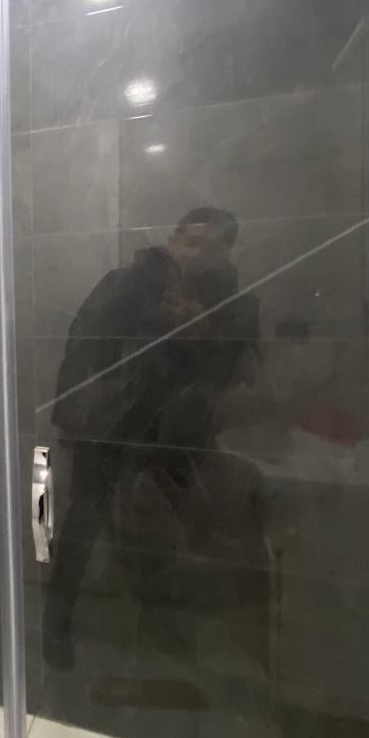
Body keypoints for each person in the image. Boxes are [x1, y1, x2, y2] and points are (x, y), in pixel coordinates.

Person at [42, 206, 260, 671]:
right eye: (191, 242)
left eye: (213, 246)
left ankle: (158, 624)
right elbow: (84, 346)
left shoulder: (233, 304)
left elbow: (236, 375)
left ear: (228, 253)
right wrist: (77, 419)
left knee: (164, 533)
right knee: (85, 523)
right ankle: (55, 624)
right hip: (109, 428)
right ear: (173, 240)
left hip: (178, 434)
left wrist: (202, 330)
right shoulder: (129, 282)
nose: (199, 254)